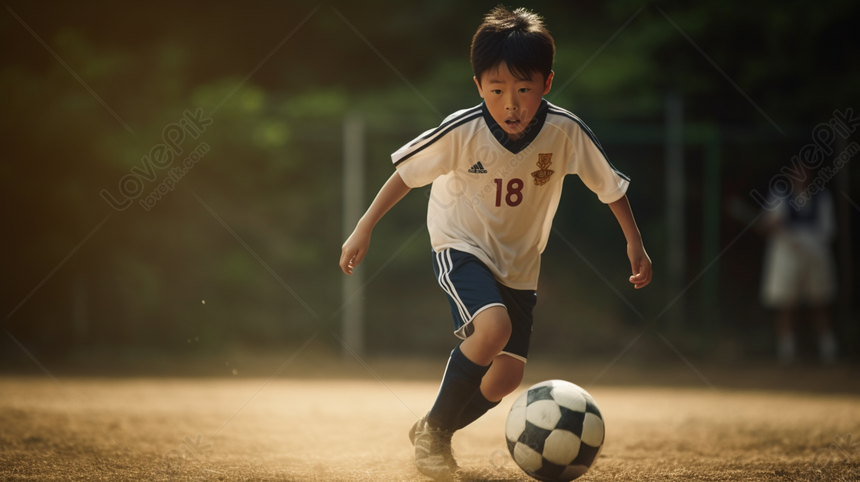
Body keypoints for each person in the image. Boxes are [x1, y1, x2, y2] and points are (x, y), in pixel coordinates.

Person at [339, 6, 652, 479]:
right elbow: (405, 175)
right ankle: (436, 438)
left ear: (546, 84)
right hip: (459, 242)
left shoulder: (565, 131)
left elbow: (609, 187)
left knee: (507, 376)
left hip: (520, 264)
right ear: (478, 86)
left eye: (523, 90)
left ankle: (433, 426)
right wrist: (364, 226)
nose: (511, 104)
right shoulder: (462, 129)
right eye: (497, 90)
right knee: (493, 330)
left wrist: (635, 243)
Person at [759, 169, 838, 364]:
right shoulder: (779, 195)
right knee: (785, 303)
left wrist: (807, 245)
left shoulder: (822, 197)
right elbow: (767, 225)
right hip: (786, 255)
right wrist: (775, 227)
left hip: (816, 256)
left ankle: (828, 349)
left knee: (819, 301)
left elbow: (828, 230)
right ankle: (786, 352)